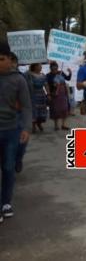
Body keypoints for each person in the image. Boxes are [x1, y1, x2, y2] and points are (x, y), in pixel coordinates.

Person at [0, 42, 31, 222]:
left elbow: (27, 106)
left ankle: (6, 203)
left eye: (1, 59)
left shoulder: (19, 80)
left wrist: (26, 128)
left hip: (12, 131)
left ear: (10, 60)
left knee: (8, 167)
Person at [9, 53, 30, 173]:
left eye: (13, 62)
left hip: (19, 115)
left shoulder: (21, 78)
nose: (11, 64)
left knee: (21, 142)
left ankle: (18, 159)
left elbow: (27, 99)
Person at [25, 63, 49, 133]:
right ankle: (33, 125)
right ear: (35, 66)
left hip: (41, 94)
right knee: (34, 109)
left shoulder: (43, 75)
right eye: (39, 65)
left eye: (40, 65)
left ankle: (39, 123)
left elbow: (46, 85)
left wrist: (48, 94)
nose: (40, 67)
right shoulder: (29, 75)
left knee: (42, 110)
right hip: (33, 94)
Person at [46, 62, 71, 131]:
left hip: (63, 93)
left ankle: (63, 124)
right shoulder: (48, 75)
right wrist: (48, 94)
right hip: (54, 94)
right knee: (55, 110)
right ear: (50, 68)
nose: (54, 69)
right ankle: (56, 125)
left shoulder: (61, 73)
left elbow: (68, 78)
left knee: (64, 109)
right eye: (53, 67)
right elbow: (47, 85)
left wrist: (70, 72)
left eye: (55, 67)